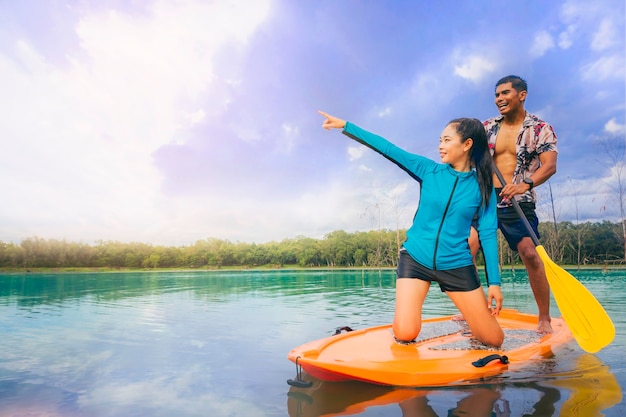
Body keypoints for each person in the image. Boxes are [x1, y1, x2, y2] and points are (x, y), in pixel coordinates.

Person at [318, 110, 504, 347]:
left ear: (467, 144)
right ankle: (400, 324)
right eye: (440, 140)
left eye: (447, 140)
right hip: (416, 258)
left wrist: (495, 284)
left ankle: (470, 318)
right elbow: (388, 148)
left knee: (494, 340)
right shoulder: (429, 170)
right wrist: (346, 125)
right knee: (406, 333)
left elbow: (488, 234)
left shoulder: (483, 187)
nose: (440, 145)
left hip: (457, 263)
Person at [469, 75, 557, 334]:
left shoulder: (541, 128)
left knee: (531, 254)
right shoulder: (486, 128)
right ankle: (473, 309)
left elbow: (550, 166)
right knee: (468, 246)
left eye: (505, 93)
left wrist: (525, 184)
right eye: (496, 95)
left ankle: (544, 318)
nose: (499, 99)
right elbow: (464, 154)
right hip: (485, 198)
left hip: (519, 201)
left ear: (522, 94)